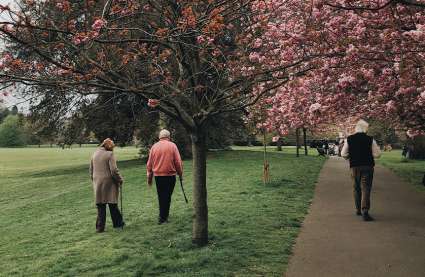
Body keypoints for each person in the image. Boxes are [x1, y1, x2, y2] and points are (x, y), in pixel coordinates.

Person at [341, 120, 381, 221]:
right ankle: (365, 211)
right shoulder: (370, 140)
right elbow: (378, 154)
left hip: (355, 166)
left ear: (356, 128)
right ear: (365, 128)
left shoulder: (349, 139)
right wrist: (368, 154)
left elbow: (343, 154)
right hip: (367, 166)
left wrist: (351, 156)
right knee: (366, 188)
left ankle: (358, 209)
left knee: (356, 187)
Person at [147, 129, 183, 224]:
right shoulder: (172, 146)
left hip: (158, 176)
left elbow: (149, 164)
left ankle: (163, 216)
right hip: (170, 176)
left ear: (160, 137)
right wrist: (180, 173)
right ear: (169, 137)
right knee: (167, 196)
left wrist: (149, 177)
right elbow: (178, 162)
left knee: (162, 196)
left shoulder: (154, 147)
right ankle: (163, 217)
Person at [90, 138, 124, 232]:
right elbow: (113, 170)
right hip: (109, 182)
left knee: (100, 205)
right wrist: (120, 179)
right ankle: (118, 223)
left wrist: (94, 180)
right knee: (112, 203)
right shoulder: (110, 154)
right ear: (109, 147)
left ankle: (100, 228)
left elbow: (91, 169)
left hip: (97, 182)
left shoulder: (95, 153)